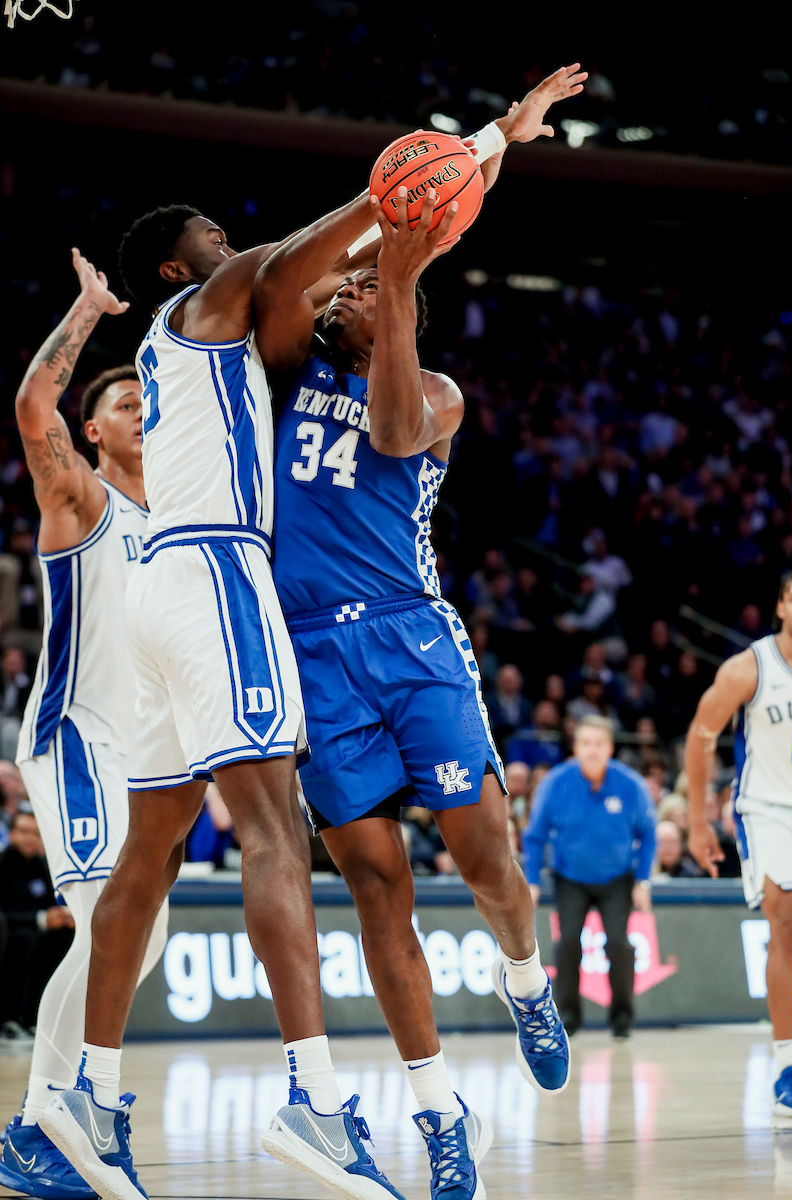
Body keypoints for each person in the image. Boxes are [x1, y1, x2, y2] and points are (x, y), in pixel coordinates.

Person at [260, 64, 585, 1200]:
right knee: (374, 885)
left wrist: (395, 281)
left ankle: (523, 974)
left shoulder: (433, 394)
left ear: (400, 311)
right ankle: (437, 1112)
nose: (338, 298)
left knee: (486, 856)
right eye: (337, 296)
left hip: (409, 638)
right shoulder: (286, 372)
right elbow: (404, 204)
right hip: (311, 652)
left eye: (357, 297)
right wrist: (495, 134)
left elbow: (394, 430)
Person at [40, 200, 407, 1200]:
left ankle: (87, 1097)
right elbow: (294, 259)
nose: (222, 232)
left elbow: (316, 279)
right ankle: (314, 1101)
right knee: (274, 835)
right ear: (174, 266)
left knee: (150, 853)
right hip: (215, 572)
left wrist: (486, 150)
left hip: (163, 585)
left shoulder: (212, 339)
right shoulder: (205, 304)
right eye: (204, 228)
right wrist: (387, 194)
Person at [0, 253, 171, 1200]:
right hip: (77, 733)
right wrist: (89, 310)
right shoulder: (82, 497)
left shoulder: (182, 520)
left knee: (142, 935)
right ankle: (41, 1121)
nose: (139, 405)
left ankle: (52, 1119)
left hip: (146, 752)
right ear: (94, 434)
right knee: (111, 920)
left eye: (149, 395)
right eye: (122, 401)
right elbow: (33, 409)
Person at [686, 567, 792, 1117]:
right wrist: (697, 821)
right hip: (767, 807)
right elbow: (701, 736)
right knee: (785, 916)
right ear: (780, 607)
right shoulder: (749, 667)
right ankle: (786, 1062)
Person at [522, 715, 656, 1039]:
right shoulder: (556, 783)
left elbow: (649, 834)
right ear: (576, 747)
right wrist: (532, 881)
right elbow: (534, 836)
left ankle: (622, 1020)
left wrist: (642, 880)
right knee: (567, 944)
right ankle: (568, 1019)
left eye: (598, 744)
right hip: (570, 877)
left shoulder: (630, 785)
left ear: (609, 748)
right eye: (585, 744)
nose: (592, 751)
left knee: (619, 945)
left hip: (617, 878)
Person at [0, 809, 74, 1039]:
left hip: (38, 934)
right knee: (24, 941)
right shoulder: (2, 865)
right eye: (23, 831)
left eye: (36, 833)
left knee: (65, 936)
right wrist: (40, 919)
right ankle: (11, 1020)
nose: (29, 838)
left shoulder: (44, 867)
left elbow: (54, 903)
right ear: (11, 834)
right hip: (10, 934)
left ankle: (40, 1018)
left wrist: (64, 915)